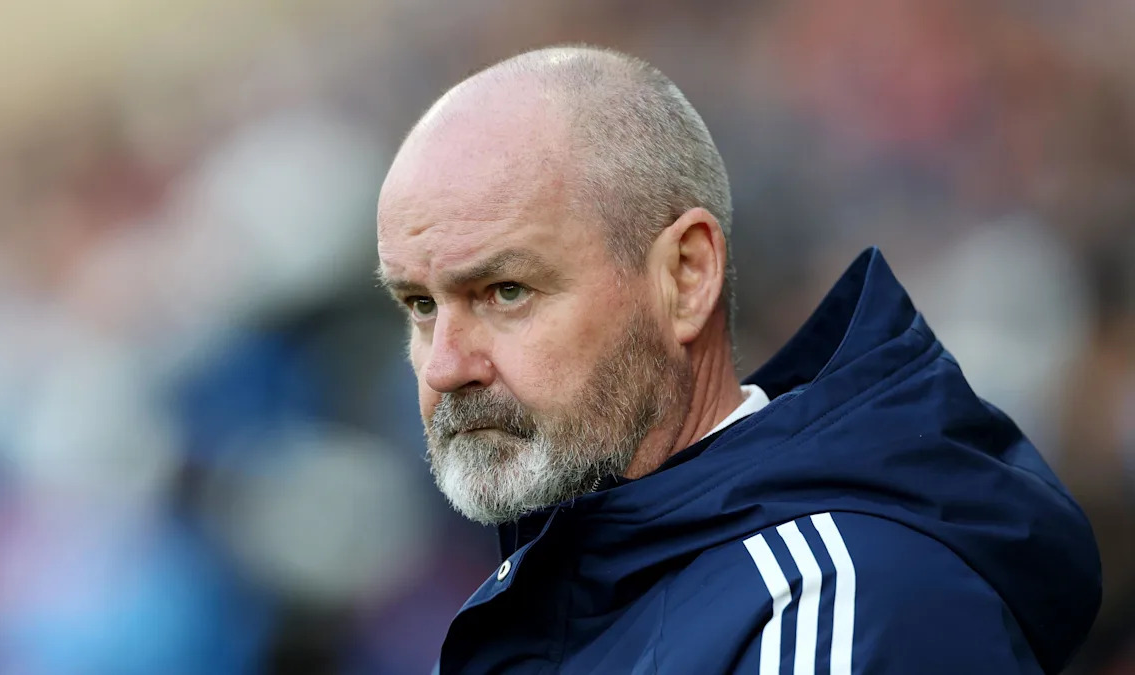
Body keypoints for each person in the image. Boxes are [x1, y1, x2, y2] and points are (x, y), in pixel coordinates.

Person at [375, 45, 1101, 674]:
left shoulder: (844, 608)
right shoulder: (520, 601)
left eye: (506, 291)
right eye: (421, 305)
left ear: (686, 276)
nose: (445, 367)